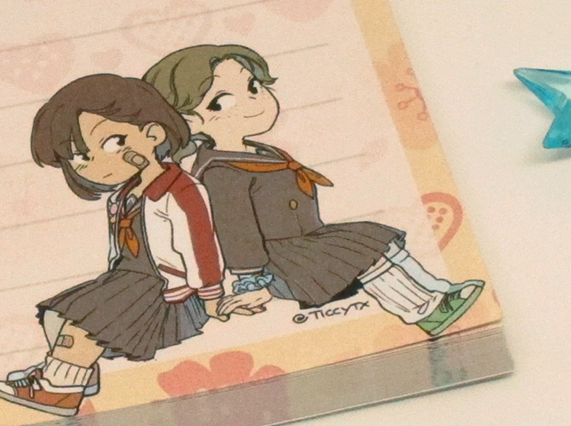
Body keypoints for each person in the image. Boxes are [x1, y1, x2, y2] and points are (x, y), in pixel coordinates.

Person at [143, 44, 483, 338]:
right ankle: (424, 309)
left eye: (253, 87)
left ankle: (438, 291)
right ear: (190, 122)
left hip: (307, 241)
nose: (253, 102)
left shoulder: (258, 152)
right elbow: (237, 235)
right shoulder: (221, 173)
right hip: (281, 259)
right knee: (367, 255)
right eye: (223, 102)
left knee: (374, 239)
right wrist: (252, 282)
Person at [0, 73, 251, 418]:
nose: (96, 164)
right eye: (80, 158)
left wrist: (212, 295)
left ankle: (59, 391)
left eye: (113, 143)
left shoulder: (180, 190)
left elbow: (200, 245)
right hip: (127, 279)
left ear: (153, 134)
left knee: (82, 326)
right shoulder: (124, 195)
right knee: (56, 314)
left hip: (167, 293)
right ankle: (74, 375)